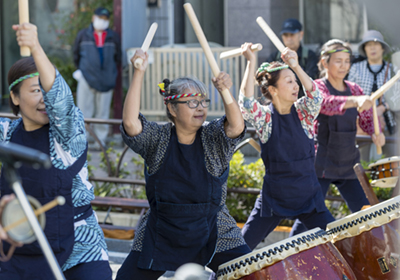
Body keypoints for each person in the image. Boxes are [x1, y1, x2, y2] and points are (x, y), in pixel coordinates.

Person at [116, 49, 251, 280]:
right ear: (172, 108)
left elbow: (237, 127)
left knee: (251, 274)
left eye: (203, 102)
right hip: (162, 228)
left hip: (215, 226)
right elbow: (130, 122)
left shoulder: (212, 136)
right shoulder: (158, 138)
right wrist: (138, 73)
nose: (200, 108)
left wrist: (224, 90)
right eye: (191, 102)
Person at [0, 23, 111, 279]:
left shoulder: (68, 130)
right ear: (15, 98)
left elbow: (60, 101)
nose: (45, 99)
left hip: (79, 247)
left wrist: (36, 45)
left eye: (47, 89)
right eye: (37, 90)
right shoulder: (6, 133)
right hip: (19, 246)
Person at [239, 43, 335, 250]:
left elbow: (315, 95)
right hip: (275, 198)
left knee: (340, 242)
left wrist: (296, 66)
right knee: (238, 252)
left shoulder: (303, 113)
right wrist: (251, 61)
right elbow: (246, 103)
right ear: (272, 90)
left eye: (295, 81)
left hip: (309, 197)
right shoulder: (265, 117)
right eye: (289, 81)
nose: (296, 86)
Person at [291, 39, 386, 235]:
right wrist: (354, 101)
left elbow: (368, 121)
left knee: (368, 214)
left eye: (347, 61)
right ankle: (289, 261)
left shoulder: (355, 89)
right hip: (321, 164)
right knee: (308, 217)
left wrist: (377, 133)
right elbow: (325, 103)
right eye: (338, 61)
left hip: (348, 163)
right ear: (325, 63)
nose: (344, 66)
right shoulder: (317, 87)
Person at [73, 7, 121, 148]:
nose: (102, 21)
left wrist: (111, 73)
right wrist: (80, 70)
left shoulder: (113, 36)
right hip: (86, 78)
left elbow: (117, 57)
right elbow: (76, 55)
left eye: (106, 19)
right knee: (83, 111)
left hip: (106, 79)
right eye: (100, 18)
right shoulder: (83, 35)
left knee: (103, 113)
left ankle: (101, 141)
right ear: (93, 18)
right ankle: (83, 141)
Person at [348, 30, 397, 160]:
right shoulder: (356, 68)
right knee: (360, 159)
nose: (372, 48)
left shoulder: (393, 69)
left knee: (393, 158)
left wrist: (383, 107)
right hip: (362, 120)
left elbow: (397, 97)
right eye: (368, 45)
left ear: (382, 48)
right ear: (365, 48)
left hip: (385, 119)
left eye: (376, 44)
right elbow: (350, 93)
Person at [267, 18, 319, 98]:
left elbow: (312, 82)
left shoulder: (309, 56)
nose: (289, 38)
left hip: (303, 103)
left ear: (301, 35)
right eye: (286, 35)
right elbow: (265, 81)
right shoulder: (275, 57)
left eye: (292, 34)